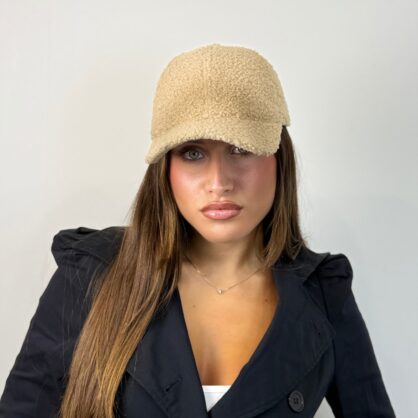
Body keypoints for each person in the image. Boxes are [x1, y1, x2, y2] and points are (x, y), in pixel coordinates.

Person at [0, 43, 396, 418]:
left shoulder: (322, 294)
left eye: (241, 149)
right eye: (193, 153)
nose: (219, 182)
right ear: (165, 169)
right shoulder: (92, 274)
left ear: (279, 157)